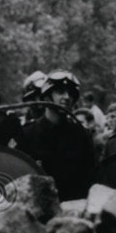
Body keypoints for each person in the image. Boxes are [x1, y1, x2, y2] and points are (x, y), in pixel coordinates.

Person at [18, 70, 97, 201]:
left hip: (74, 209)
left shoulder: (81, 134)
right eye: (60, 91)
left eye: (70, 93)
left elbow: (91, 177)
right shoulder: (28, 134)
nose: (67, 97)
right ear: (47, 97)